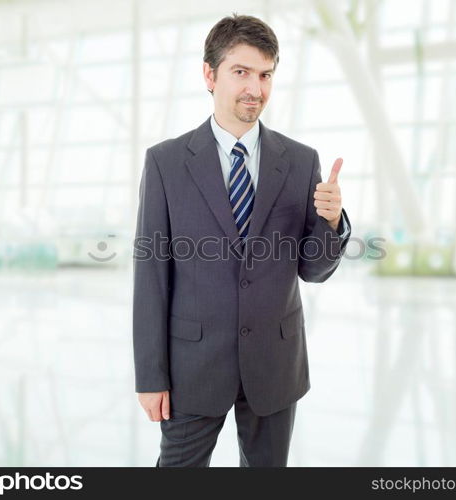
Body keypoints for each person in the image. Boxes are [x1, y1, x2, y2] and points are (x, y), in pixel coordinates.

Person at [132, 13, 351, 467]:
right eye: (241, 72)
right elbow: (151, 277)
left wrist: (330, 223)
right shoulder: (166, 163)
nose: (256, 87)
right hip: (192, 366)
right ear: (210, 75)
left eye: (266, 74)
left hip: (274, 364)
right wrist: (150, 376)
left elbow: (312, 270)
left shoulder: (300, 161)